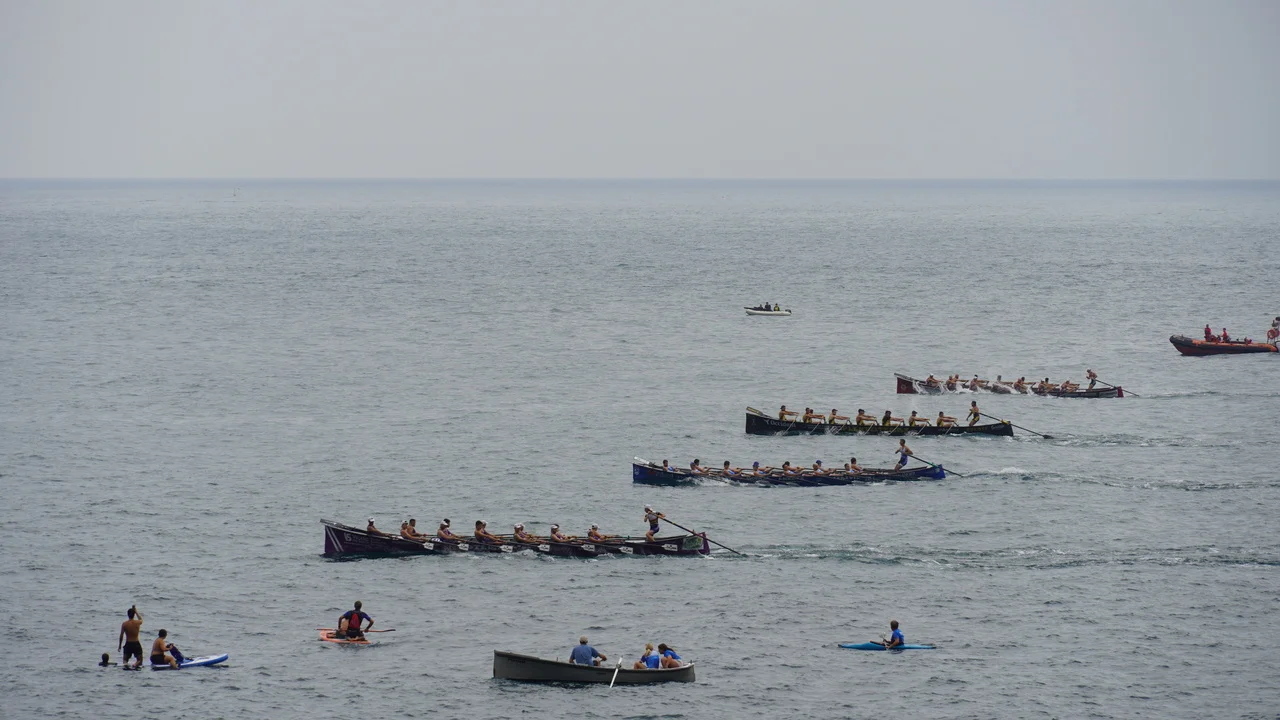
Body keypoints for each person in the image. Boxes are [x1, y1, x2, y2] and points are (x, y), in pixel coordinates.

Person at [118, 605, 144, 670]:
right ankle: (135, 665)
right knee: (140, 660)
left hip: (128, 643)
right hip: (136, 643)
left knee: (125, 660)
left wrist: (120, 646)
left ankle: (126, 665)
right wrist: (136, 611)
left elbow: (121, 635)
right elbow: (141, 619)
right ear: (134, 615)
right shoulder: (137, 622)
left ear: (127, 615)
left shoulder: (124, 624)